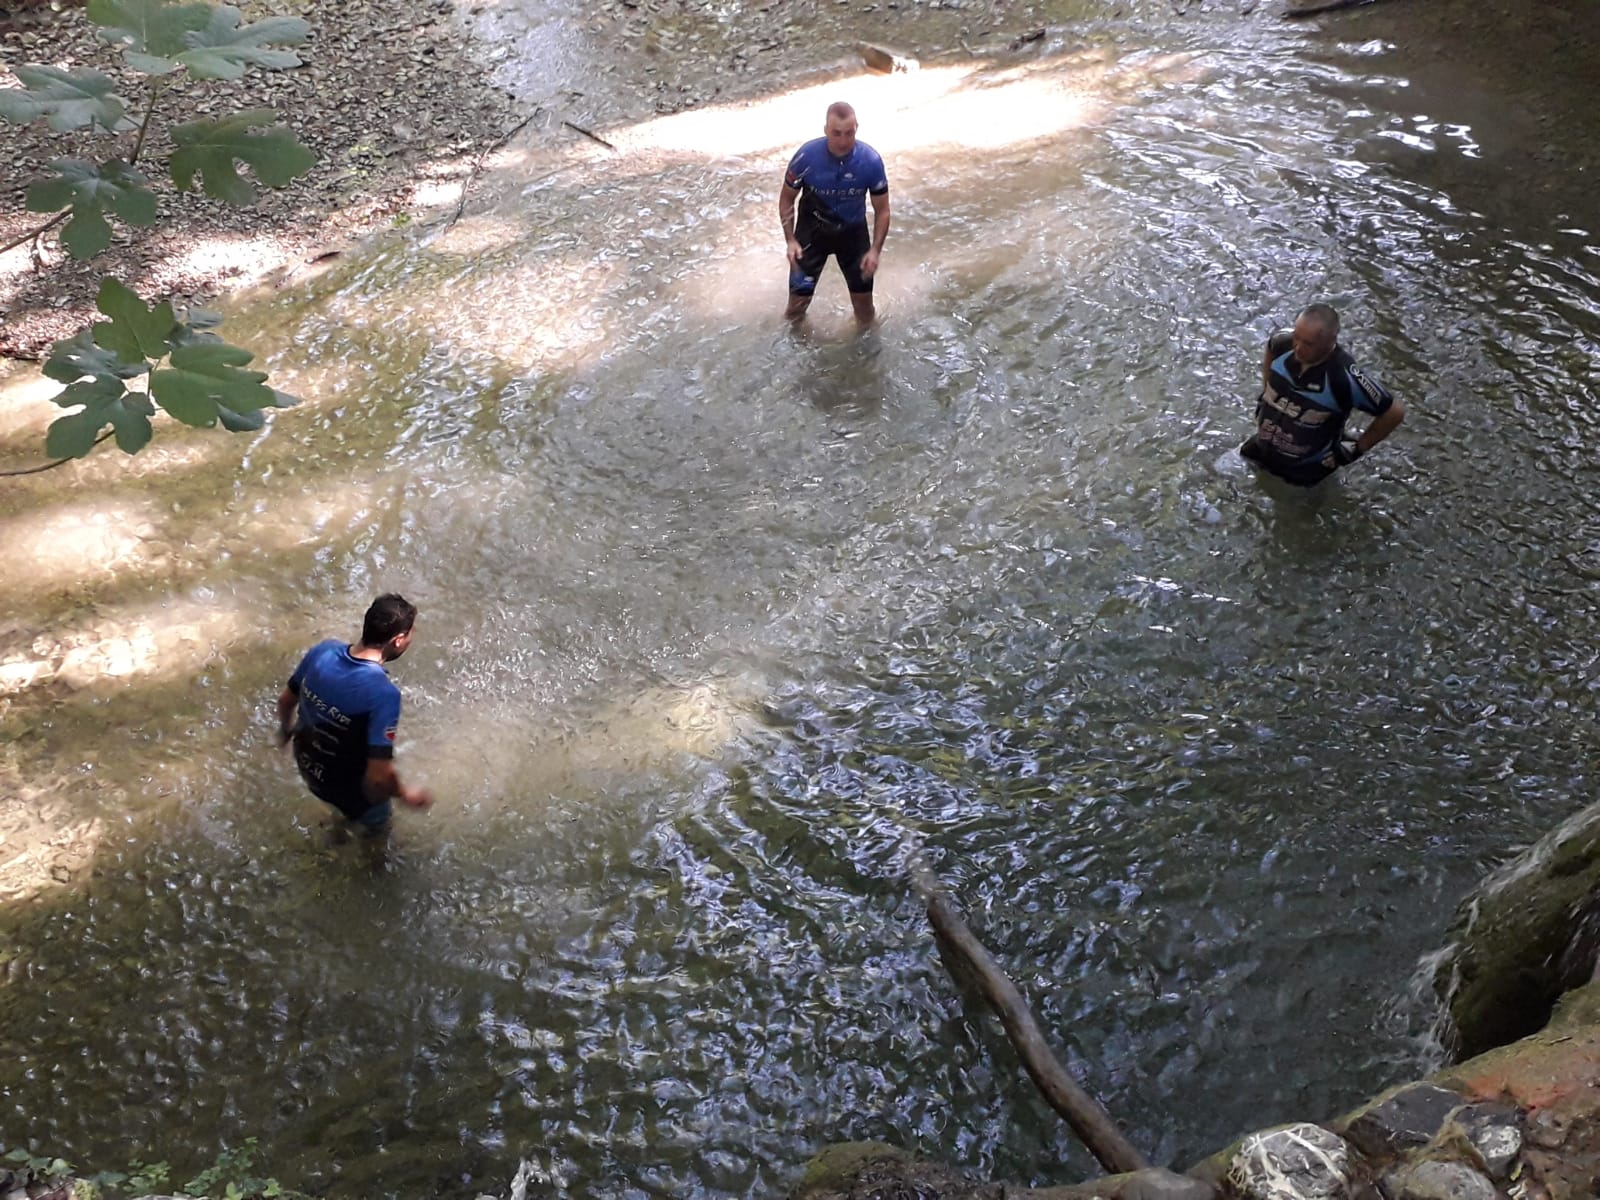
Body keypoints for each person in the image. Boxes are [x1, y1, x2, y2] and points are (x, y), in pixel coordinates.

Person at [275, 593, 432, 833]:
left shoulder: (323, 651)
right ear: (398, 640)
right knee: (378, 834)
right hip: (351, 791)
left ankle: (337, 830)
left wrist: (286, 732)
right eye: (411, 633)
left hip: (310, 768)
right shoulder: (383, 694)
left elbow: (286, 701)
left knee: (338, 802)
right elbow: (379, 776)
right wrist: (405, 795)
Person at [1240, 303, 1405, 486]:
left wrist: (1356, 449)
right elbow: (1271, 348)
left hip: (1305, 468)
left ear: (1330, 341)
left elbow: (1393, 413)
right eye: (1297, 337)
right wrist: (1267, 394)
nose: (1298, 348)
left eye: (1308, 344)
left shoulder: (1344, 377)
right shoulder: (1282, 343)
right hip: (1260, 448)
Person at [780, 101, 891, 326]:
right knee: (795, 310)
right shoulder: (806, 157)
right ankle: (796, 348)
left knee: (865, 312)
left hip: (853, 235)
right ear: (825, 130)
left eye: (849, 133)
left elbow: (883, 211)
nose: (843, 141)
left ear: (856, 129)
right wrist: (790, 240)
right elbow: (786, 199)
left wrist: (875, 251)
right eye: (836, 133)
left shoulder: (870, 161)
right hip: (811, 234)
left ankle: (866, 349)